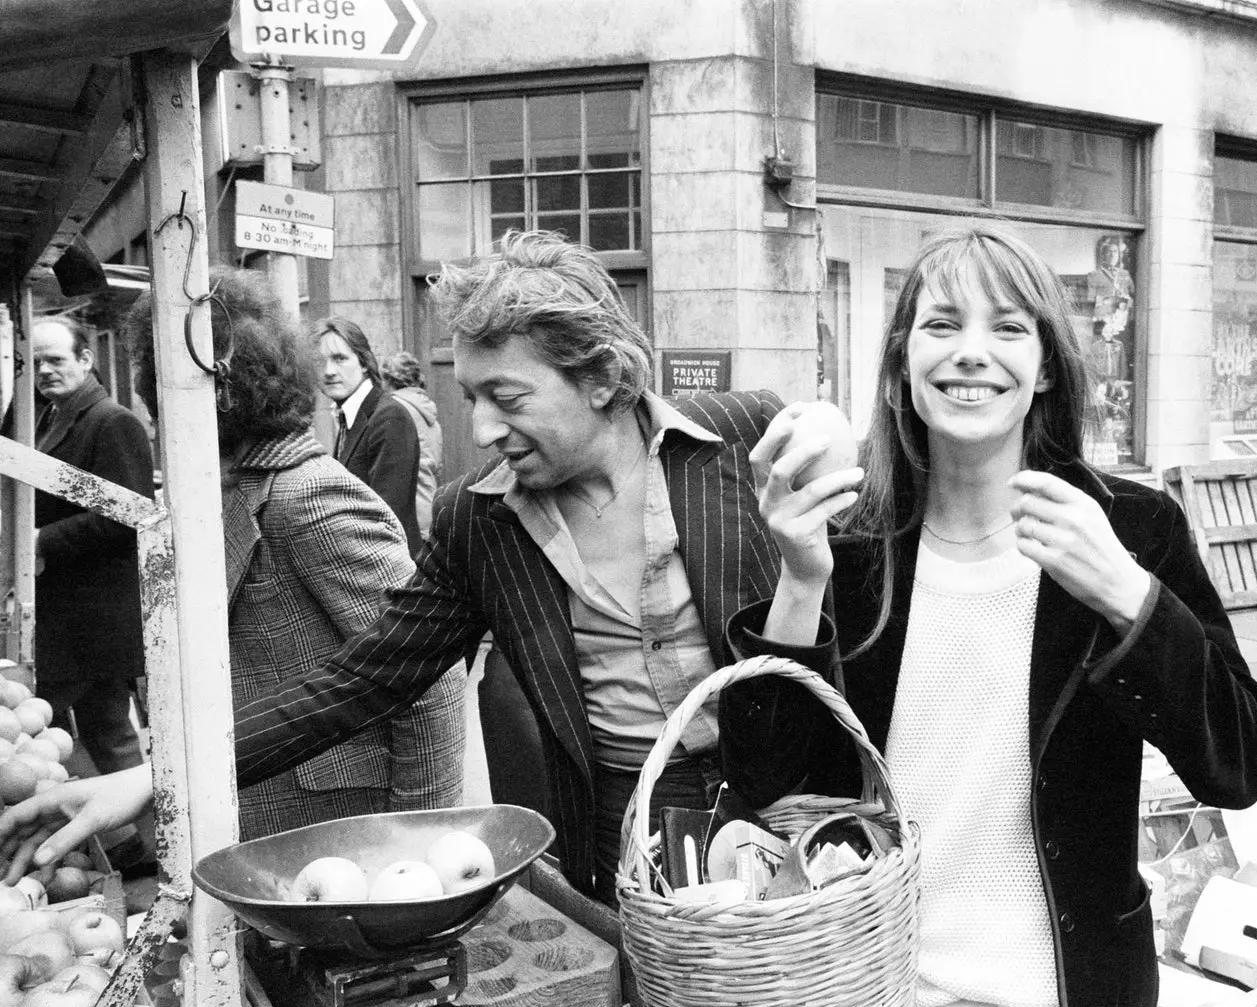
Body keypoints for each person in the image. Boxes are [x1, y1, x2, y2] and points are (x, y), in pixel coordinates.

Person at [0, 231, 787, 899]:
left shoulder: (744, 437)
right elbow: (363, 679)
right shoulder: (480, 519)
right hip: (617, 828)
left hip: (783, 813)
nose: (480, 428)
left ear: (605, 378)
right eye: (469, 395)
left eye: (506, 397)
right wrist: (157, 776)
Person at [720, 225, 1257, 1007]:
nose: (971, 352)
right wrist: (801, 582)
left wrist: (1129, 594)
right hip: (874, 1003)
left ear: (1046, 365)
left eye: (1008, 327)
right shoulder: (855, 544)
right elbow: (767, 783)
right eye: (942, 325)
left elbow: (1241, 762)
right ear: (903, 362)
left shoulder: (1127, 528)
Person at [119, 268, 466, 839]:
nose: (157, 426)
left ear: (220, 395)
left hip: (342, 831)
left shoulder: (306, 496)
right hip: (271, 813)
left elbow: (430, 677)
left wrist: (421, 844)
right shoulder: (242, 488)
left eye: (160, 402)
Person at [30, 317, 153, 781]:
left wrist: (41, 540)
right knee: (93, 733)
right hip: (70, 617)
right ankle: (129, 847)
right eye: (37, 362)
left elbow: (126, 517)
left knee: (97, 735)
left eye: (56, 360)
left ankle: (140, 844)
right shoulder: (47, 416)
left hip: (93, 618)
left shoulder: (112, 422)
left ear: (86, 360)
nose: (44, 371)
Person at [313, 317, 424, 555]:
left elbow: (386, 517)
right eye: (320, 362)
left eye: (340, 359)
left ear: (364, 363)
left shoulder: (389, 417)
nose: (329, 371)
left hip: (390, 571)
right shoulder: (349, 417)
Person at [378, 351, 444, 537]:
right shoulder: (428, 412)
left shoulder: (395, 410)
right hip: (430, 504)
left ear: (388, 379)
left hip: (408, 514)